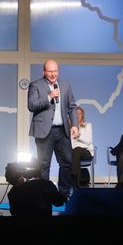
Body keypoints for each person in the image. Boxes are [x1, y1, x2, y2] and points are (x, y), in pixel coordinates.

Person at [28, 59, 79, 200]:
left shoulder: (65, 85)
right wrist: (49, 96)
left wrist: (74, 124)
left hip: (62, 131)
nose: (53, 74)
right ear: (44, 71)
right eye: (50, 71)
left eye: (55, 71)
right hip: (45, 131)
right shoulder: (35, 85)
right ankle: (44, 195)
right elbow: (31, 105)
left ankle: (64, 194)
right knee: (44, 165)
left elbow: (72, 107)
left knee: (67, 163)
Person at [71, 106, 94, 188]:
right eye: (76, 114)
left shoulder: (87, 125)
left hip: (86, 153)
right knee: (73, 152)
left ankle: (74, 179)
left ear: (82, 116)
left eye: (80, 114)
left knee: (77, 150)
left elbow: (89, 141)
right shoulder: (70, 128)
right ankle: (74, 184)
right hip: (74, 153)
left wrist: (78, 136)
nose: (78, 116)